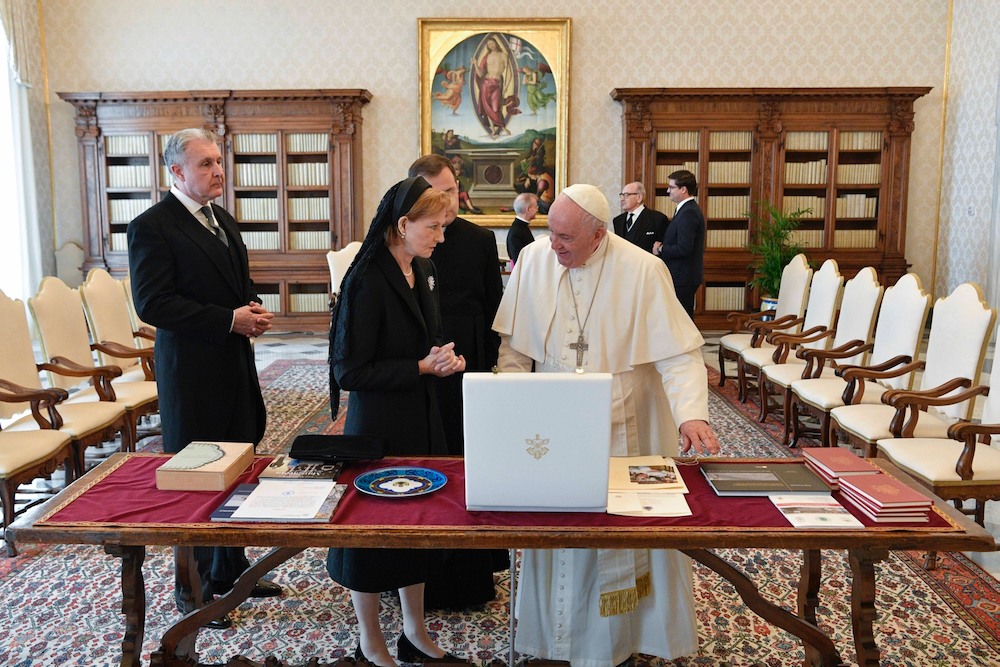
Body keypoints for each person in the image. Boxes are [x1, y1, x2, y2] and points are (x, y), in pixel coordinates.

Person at [493, 184, 721, 666]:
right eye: (551, 233)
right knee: (557, 525)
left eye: (566, 238)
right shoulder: (533, 260)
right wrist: (512, 404)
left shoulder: (643, 269)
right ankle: (553, 639)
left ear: (599, 235)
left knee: (620, 527)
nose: (554, 246)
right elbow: (514, 347)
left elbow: (678, 354)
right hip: (553, 423)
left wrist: (691, 413)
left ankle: (624, 640)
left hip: (624, 422)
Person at [127, 128, 281, 630]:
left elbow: (236, 283)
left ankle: (230, 572)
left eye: (218, 161)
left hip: (233, 364)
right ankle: (192, 590)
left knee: (237, 467)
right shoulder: (152, 226)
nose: (218, 171)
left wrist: (252, 307)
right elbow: (153, 303)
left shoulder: (222, 218)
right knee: (196, 480)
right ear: (176, 171)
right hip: (191, 373)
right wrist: (228, 320)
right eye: (206, 164)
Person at [327, 176, 467, 667]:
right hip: (379, 427)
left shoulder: (422, 267)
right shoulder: (366, 279)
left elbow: (428, 338)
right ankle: (371, 643)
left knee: (416, 526)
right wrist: (420, 368)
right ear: (403, 224)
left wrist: (445, 359)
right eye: (434, 227)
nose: (441, 237)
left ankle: (415, 634)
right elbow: (349, 371)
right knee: (371, 537)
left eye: (444, 226)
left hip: (421, 417)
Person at [408, 154, 506, 609]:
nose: (448, 200)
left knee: (469, 464)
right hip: (421, 365)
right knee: (425, 463)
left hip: (470, 362)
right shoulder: (405, 238)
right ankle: (417, 576)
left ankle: (470, 575)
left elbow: (494, 310)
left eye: (451, 190)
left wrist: (492, 371)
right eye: (438, 192)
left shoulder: (479, 239)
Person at [656, 169, 706, 317]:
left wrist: (661, 249)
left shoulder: (689, 212)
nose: (668, 191)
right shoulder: (685, 209)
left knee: (682, 320)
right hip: (681, 276)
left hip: (683, 277)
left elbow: (684, 248)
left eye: (671, 187)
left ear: (683, 189)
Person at [471, 35, 519, 138]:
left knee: (496, 107)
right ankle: (493, 130)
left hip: (497, 84)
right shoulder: (486, 57)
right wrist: (475, 64)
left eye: (492, 43)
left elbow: (510, 74)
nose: (491, 46)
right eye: (489, 45)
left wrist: (506, 86)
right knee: (487, 108)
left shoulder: (504, 55)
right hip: (486, 84)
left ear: (496, 43)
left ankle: (503, 127)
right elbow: (480, 74)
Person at [612, 181, 668, 254]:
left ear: (639, 197)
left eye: (626, 195)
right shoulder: (618, 221)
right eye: (621, 195)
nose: (622, 199)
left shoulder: (658, 219)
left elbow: (663, 247)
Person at [507, 192, 538, 264]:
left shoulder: (521, 227)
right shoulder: (516, 232)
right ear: (528, 209)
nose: (537, 209)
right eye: (536, 207)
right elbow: (519, 262)